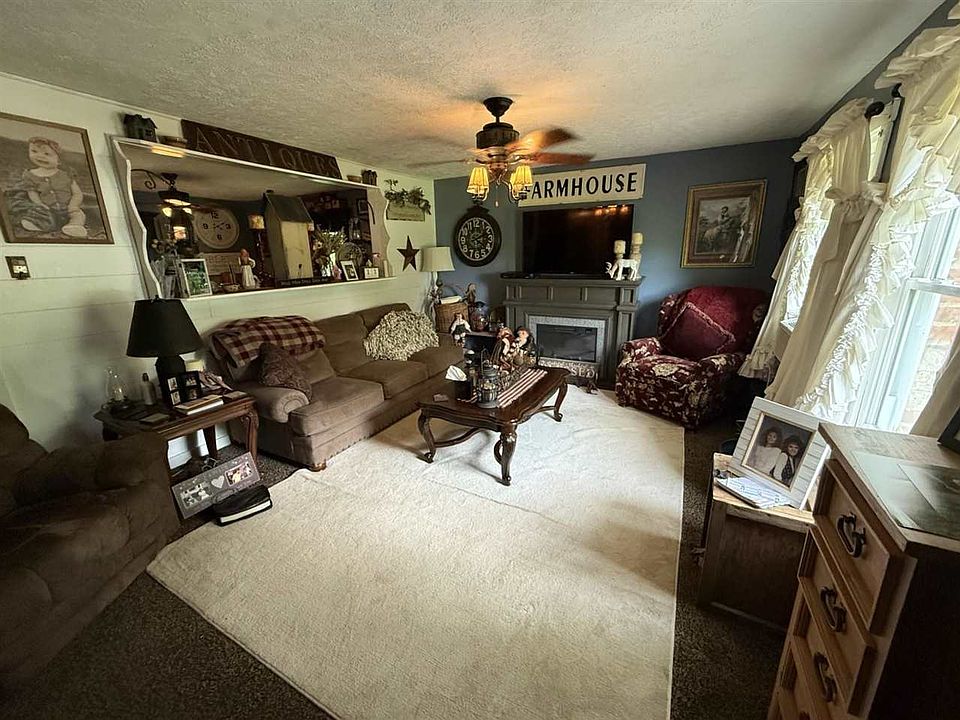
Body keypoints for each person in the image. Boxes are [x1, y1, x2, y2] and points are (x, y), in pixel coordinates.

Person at [16, 137, 88, 238]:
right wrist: (39, 204)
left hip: (69, 208)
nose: (40, 156)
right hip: (48, 209)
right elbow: (32, 192)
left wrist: (73, 205)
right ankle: (39, 224)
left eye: (47, 154)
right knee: (39, 214)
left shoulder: (66, 174)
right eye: (34, 151)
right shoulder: (30, 175)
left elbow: (77, 193)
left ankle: (74, 226)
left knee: (79, 215)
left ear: (59, 159)